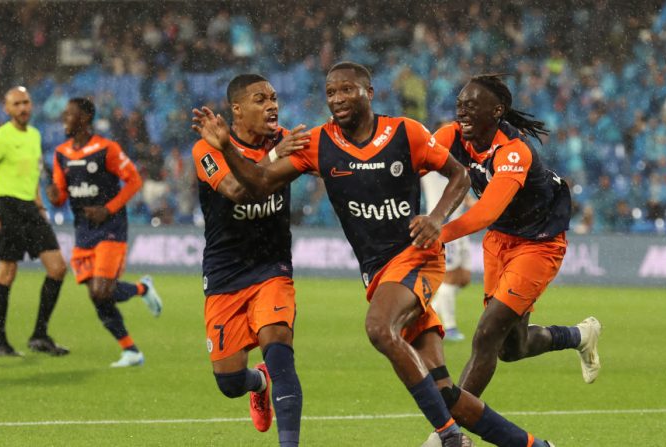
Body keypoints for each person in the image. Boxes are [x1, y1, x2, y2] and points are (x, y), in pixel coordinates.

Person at [194, 62, 555, 447]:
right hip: (379, 275)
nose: (337, 99)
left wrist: (436, 219)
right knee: (446, 393)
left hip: (417, 258)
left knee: (379, 328)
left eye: (347, 90)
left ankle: (450, 439)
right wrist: (227, 150)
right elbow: (258, 183)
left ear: (369, 92)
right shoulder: (319, 143)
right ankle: (533, 445)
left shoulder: (406, 133)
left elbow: (460, 176)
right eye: (331, 93)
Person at [437, 74, 602, 398]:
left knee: (486, 334)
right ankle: (580, 336)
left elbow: (486, 212)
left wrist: (435, 234)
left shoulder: (514, 152)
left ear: (497, 110)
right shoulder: (452, 135)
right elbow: (412, 160)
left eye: (472, 105)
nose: (462, 112)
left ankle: (449, 431)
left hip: (538, 243)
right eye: (459, 105)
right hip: (500, 241)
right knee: (511, 347)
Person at [190, 74, 309, 447]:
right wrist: (264, 153)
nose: (272, 105)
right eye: (260, 100)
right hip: (225, 273)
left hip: (271, 267)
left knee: (279, 350)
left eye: (274, 97)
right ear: (237, 110)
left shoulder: (287, 139)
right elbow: (239, 191)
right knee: (228, 383)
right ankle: (256, 382)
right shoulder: (206, 150)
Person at [46, 98, 163, 368]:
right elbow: (60, 196)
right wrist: (54, 196)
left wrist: (108, 210)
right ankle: (131, 349)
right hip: (83, 231)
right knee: (97, 296)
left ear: (85, 118)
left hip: (110, 228)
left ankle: (142, 291)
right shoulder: (61, 153)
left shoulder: (107, 149)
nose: (64, 119)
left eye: (69, 115)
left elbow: (134, 180)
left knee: (101, 291)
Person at [0, 86, 69, 357]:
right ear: (6, 108)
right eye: (16, 104)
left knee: (58, 268)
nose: (22, 108)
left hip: (29, 209)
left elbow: (34, 175)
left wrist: (39, 205)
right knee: (7, 272)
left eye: (26, 102)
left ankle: (40, 334)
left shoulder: (35, 135)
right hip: (5, 207)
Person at [421, 170, 474, 341]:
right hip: (442, 223)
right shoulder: (428, 158)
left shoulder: (453, 156)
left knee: (463, 278)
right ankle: (449, 327)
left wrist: (467, 200)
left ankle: (428, 315)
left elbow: (458, 180)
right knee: (449, 278)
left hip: (459, 221)